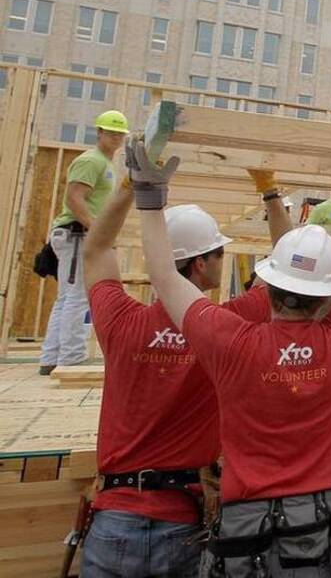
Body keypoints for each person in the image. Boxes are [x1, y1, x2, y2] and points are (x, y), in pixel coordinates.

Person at [128, 136, 331, 576]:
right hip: (329, 527)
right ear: (326, 297)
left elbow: (164, 274)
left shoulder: (232, 341)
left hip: (250, 533)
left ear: (268, 286)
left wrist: (147, 196)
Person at [79, 170, 292, 575]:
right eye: (218, 254)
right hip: (180, 523)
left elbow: (95, 249)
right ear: (199, 264)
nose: (222, 260)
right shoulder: (225, 330)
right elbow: (288, 264)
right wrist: (270, 192)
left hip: (112, 519)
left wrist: (130, 187)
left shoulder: (122, 322)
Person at [39, 110, 127, 374]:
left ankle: (51, 359)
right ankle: (71, 358)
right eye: (110, 132)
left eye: (119, 134)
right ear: (99, 132)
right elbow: (74, 198)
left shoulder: (105, 164)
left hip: (79, 235)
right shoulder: (92, 161)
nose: (115, 138)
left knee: (68, 298)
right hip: (77, 234)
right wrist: (98, 231)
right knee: (77, 297)